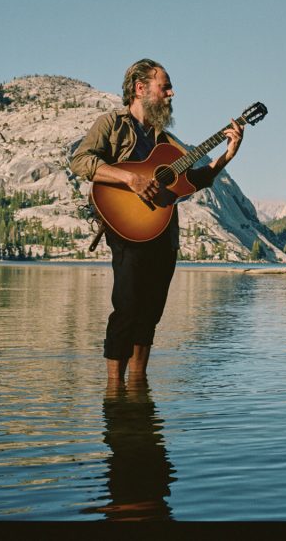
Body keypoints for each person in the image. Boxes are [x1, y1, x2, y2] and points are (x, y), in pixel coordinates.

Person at [70, 58, 244, 381]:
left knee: (149, 315)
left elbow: (197, 179)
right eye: (165, 87)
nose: (171, 93)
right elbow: (80, 161)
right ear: (141, 89)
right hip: (127, 230)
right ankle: (113, 392)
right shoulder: (112, 124)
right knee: (126, 307)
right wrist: (130, 179)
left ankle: (137, 387)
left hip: (163, 235)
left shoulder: (167, 143)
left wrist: (226, 156)